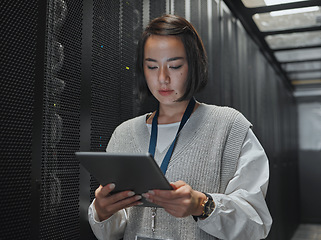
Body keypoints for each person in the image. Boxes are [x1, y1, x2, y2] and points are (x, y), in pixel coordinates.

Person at [88, 14, 272, 240]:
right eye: (152, 67)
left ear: (194, 65)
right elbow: (113, 231)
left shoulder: (230, 127)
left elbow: (257, 224)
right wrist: (103, 212)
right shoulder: (123, 134)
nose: (162, 78)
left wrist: (202, 205)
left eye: (174, 66)